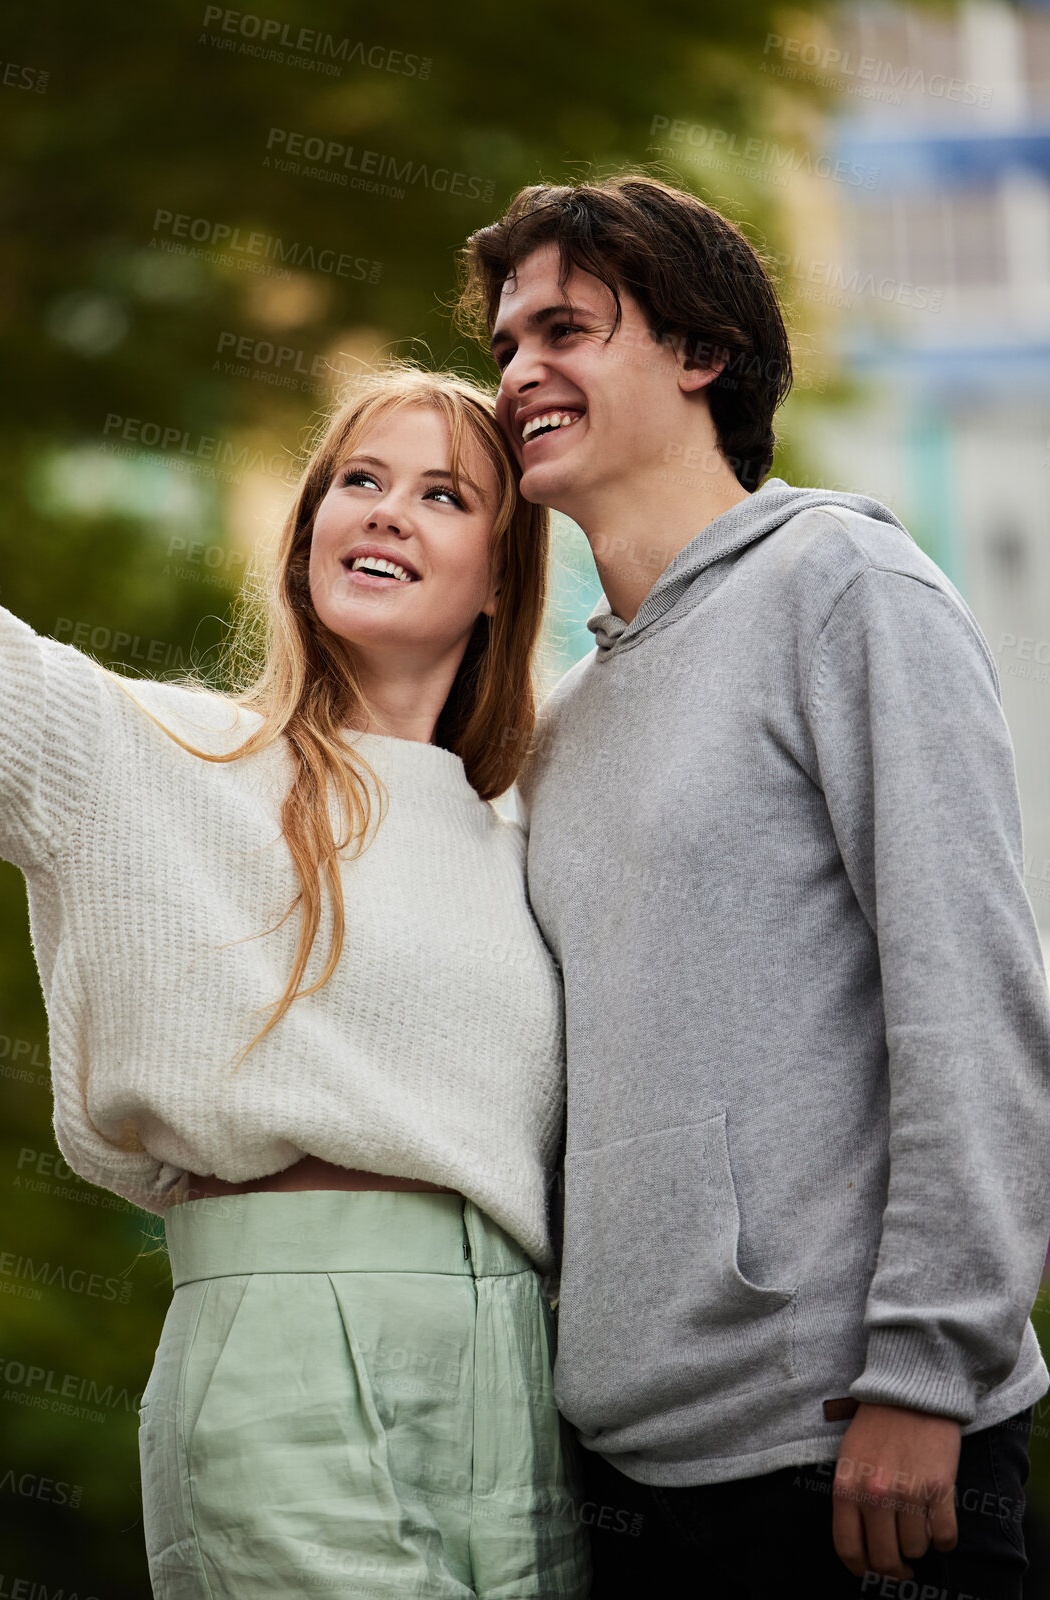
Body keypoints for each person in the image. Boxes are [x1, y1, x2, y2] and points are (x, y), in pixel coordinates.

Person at [0, 180, 591, 1600]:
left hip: (522, 1361)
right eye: (358, 479)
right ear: (303, 532)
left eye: (443, 494)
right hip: (287, 1335)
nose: (389, 513)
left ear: (499, 574)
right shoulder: (166, 752)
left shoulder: (537, 822)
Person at [458, 172, 1050, 1597]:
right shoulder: (561, 722)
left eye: (566, 328)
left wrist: (927, 1367)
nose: (519, 371)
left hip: (854, 1453)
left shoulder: (844, 586)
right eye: (503, 345)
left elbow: (969, 994)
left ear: (700, 353)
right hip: (628, 1474)